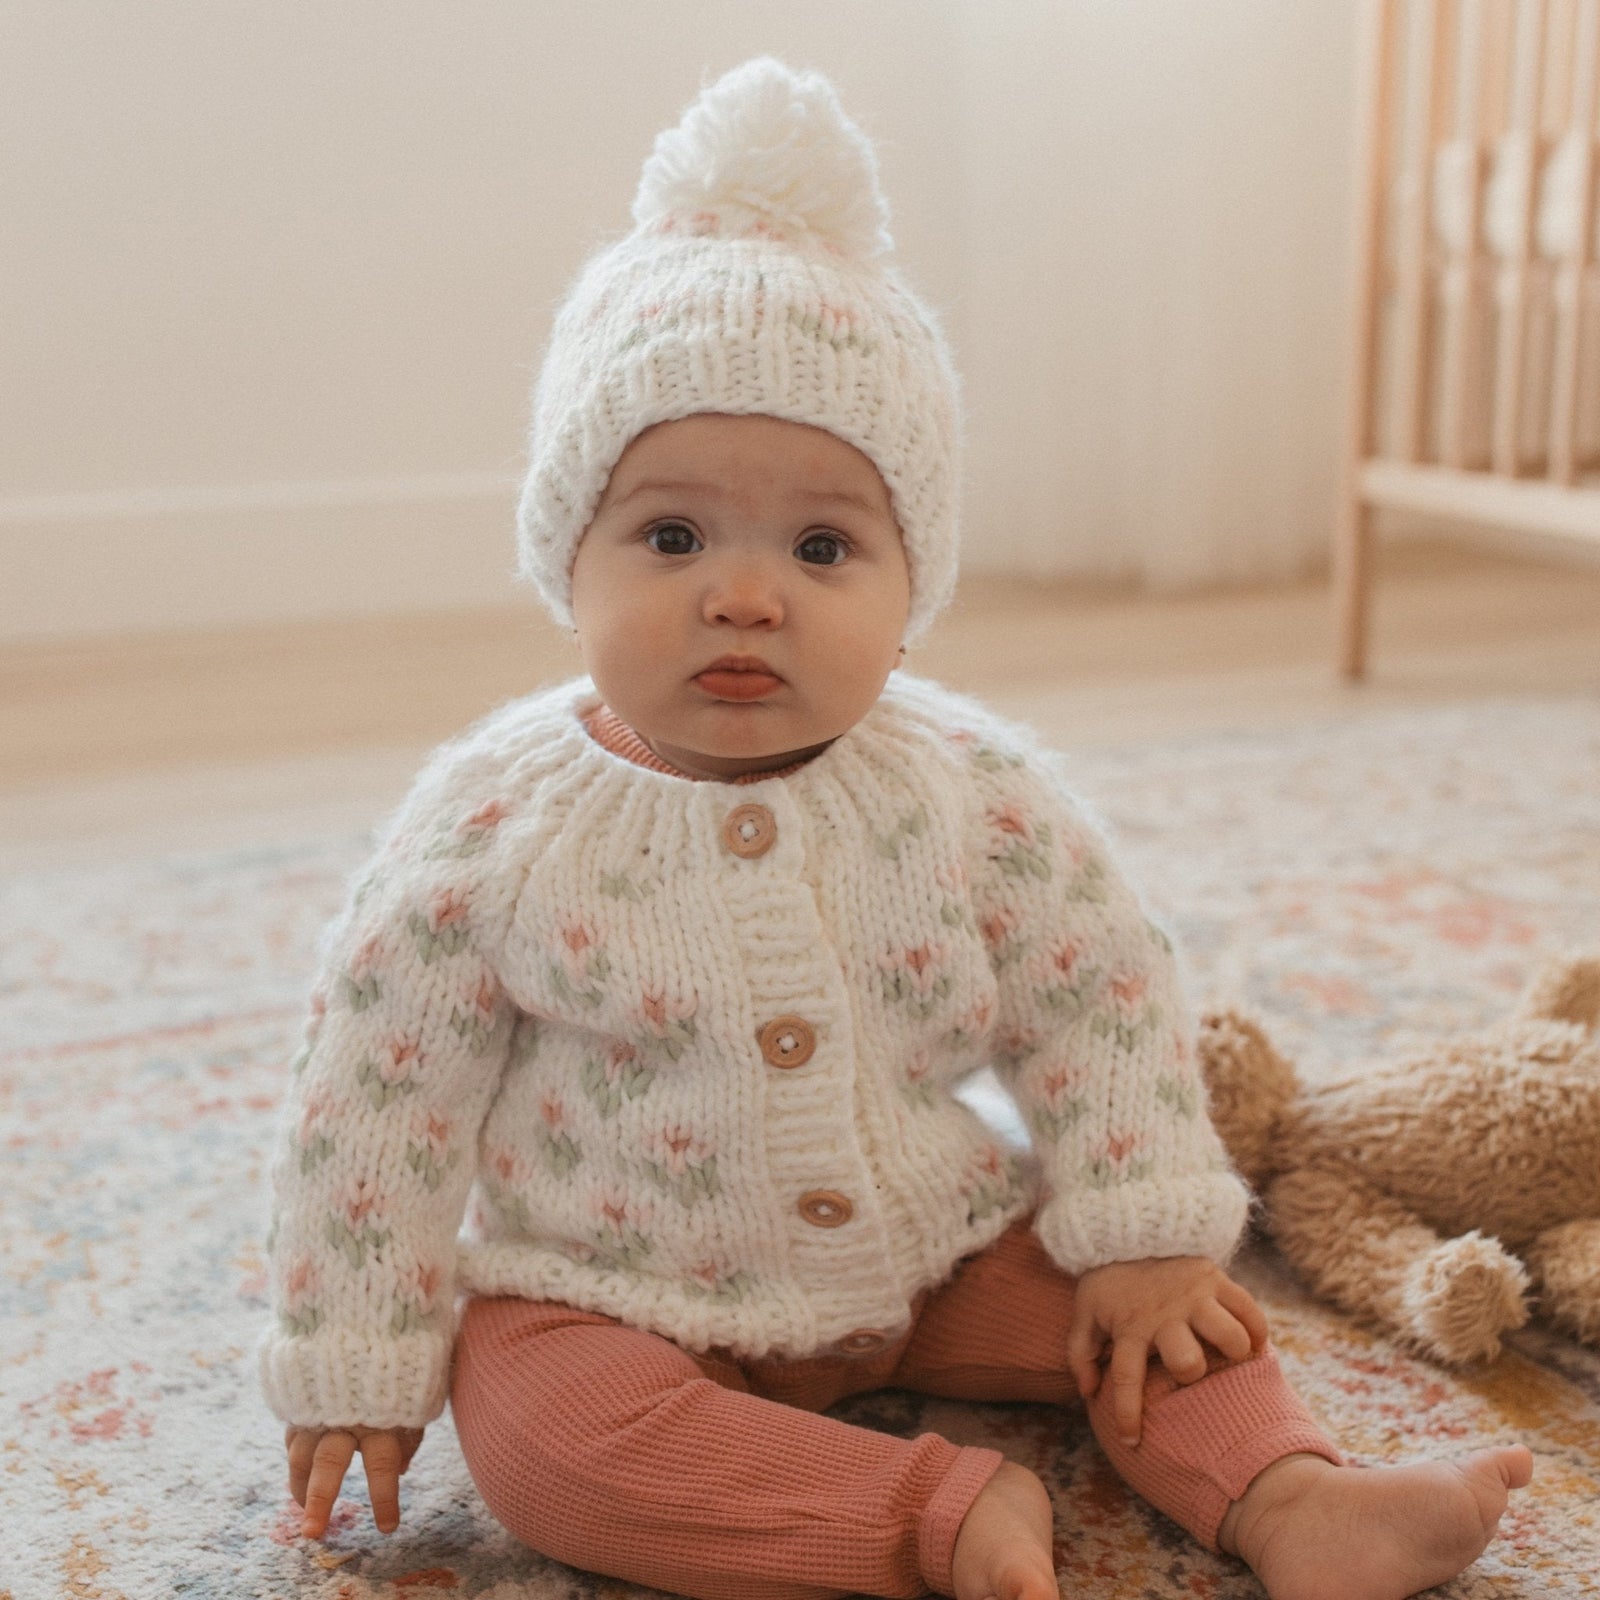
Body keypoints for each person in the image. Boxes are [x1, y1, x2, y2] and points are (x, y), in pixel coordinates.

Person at [259, 56, 1532, 1600]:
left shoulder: (971, 793)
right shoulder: (494, 823)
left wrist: (1136, 1224)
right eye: (670, 534)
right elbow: (377, 1099)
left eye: (821, 543)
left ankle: (1294, 1496)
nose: (744, 591)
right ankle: (925, 1513)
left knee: (1161, 1318)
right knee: (541, 1443)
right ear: (566, 560)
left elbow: (1099, 992)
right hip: (606, 1284)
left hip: (925, 1252)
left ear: (911, 595)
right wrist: (354, 1346)